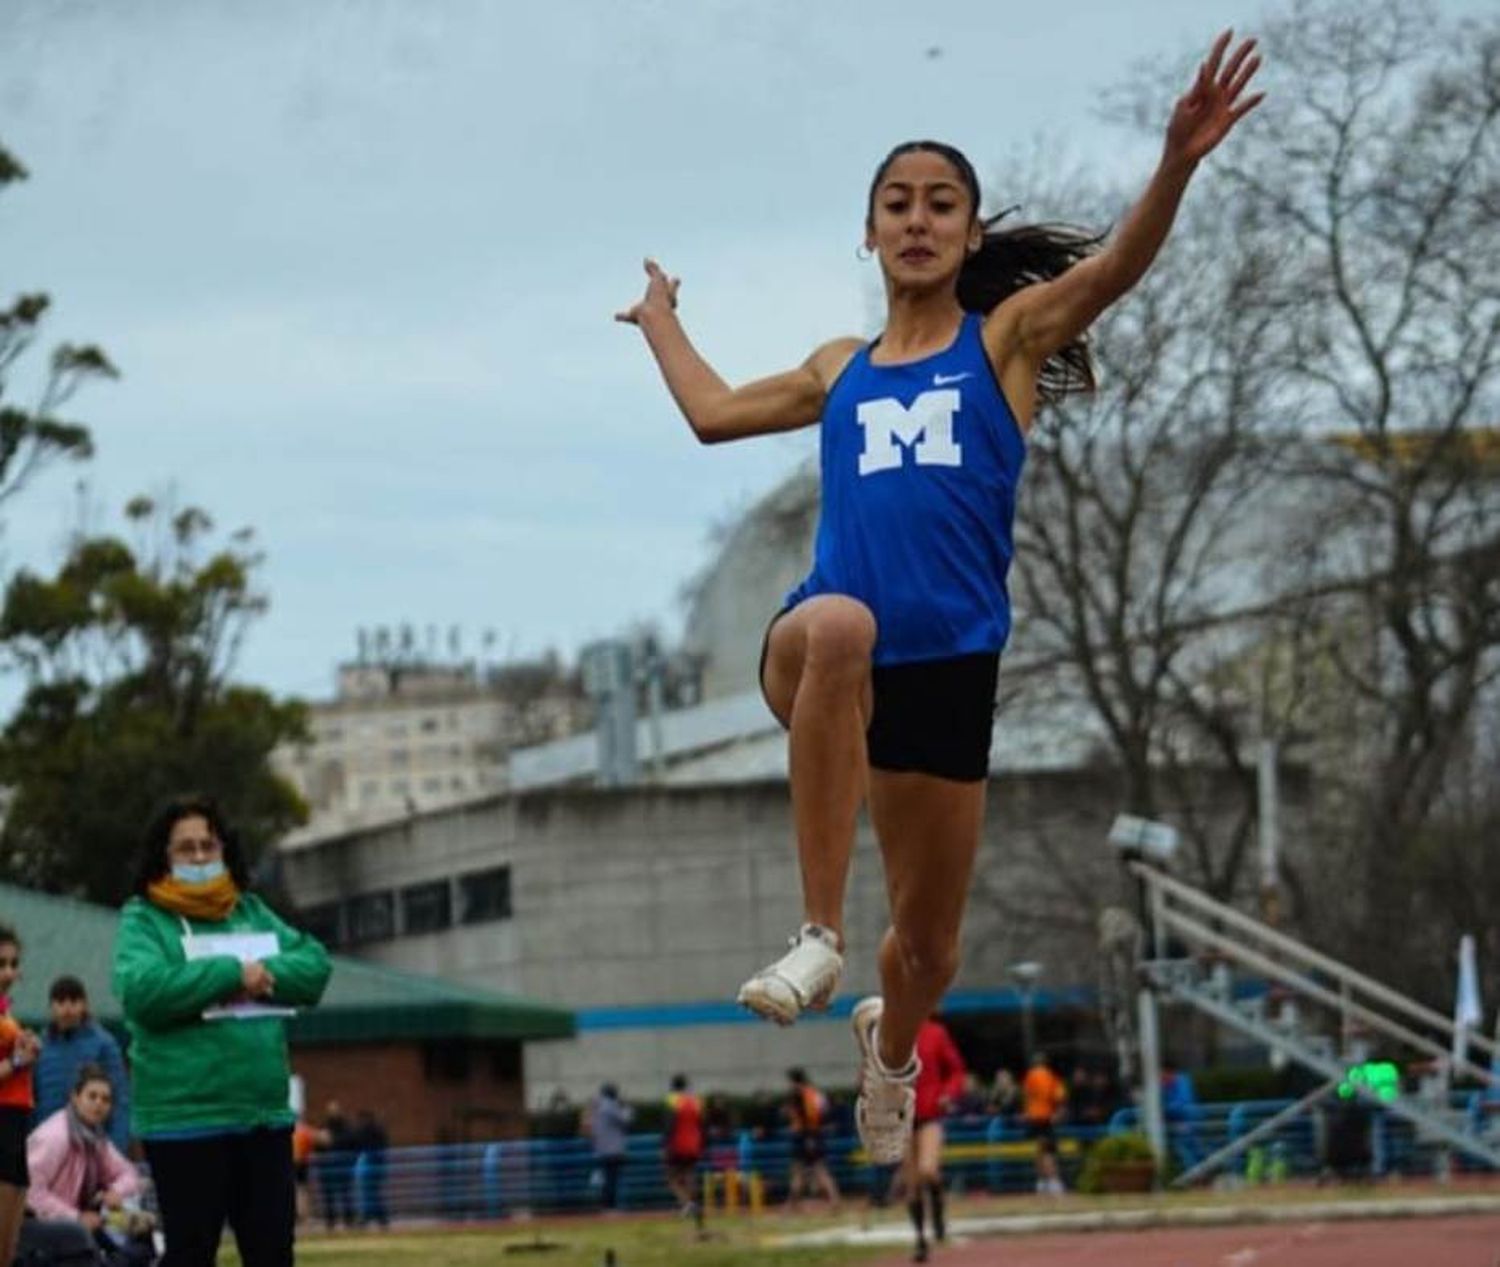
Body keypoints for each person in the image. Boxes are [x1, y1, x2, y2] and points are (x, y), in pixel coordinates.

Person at [618, 32, 1264, 1166]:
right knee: (840, 621)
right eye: (897, 204)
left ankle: (894, 1049)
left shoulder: (1004, 344)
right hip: (826, 655)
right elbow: (714, 415)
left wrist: (1176, 164)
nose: (917, 220)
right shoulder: (837, 368)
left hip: (951, 676)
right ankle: (817, 933)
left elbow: (1110, 272)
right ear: (868, 232)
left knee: (928, 948)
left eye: (941, 204)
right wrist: (662, 316)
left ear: (968, 232)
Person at [112, 793, 333, 1267]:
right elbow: (144, 991)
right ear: (163, 856)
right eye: (185, 848)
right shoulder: (144, 918)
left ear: (224, 850)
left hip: (262, 1118)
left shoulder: (249, 910)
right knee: (191, 1254)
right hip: (184, 1123)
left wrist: (260, 974)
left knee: (273, 1253)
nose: (198, 857)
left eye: (207, 846)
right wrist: (232, 974)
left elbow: (313, 967)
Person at [26, 1063, 150, 1261]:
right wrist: (76, 1217)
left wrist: (116, 1191)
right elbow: (30, 1193)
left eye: (106, 1100)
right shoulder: (55, 1136)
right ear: (75, 1098)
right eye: (92, 1096)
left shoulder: (94, 1137)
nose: (99, 1104)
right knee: (84, 1238)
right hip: (36, 1224)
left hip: (76, 1224)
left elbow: (129, 1173)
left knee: (139, 1245)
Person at [33, 975, 131, 1154]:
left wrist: (115, 1149)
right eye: (61, 1001)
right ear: (51, 1007)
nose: (68, 1007)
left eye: (74, 1000)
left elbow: (119, 1098)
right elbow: (33, 1099)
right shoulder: (40, 1047)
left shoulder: (104, 1044)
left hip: (94, 1145)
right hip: (50, 1146)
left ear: (85, 1004)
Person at [906, 1016, 966, 1262]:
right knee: (912, 1185)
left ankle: (939, 1211)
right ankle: (921, 1240)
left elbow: (956, 1070)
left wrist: (948, 1094)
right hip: (902, 1116)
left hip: (930, 1113)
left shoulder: (934, 1033)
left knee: (928, 1170)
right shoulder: (888, 1033)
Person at [0, 924, 41, 1267]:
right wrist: (16, 1061)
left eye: (14, 964)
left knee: (8, 1254)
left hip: (15, 1124)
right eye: (1, 964)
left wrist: (23, 1046)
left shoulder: (5, 1010)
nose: (10, 973)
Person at [783, 1068, 840, 1214]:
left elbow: (804, 1117)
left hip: (804, 1135)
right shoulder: (814, 1093)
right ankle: (834, 1200)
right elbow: (825, 1112)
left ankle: (791, 1205)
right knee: (819, 1169)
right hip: (814, 1134)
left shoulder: (799, 1095)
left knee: (800, 1171)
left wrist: (808, 1136)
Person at [1021, 1050, 1068, 1195]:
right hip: (1045, 1116)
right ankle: (1053, 1181)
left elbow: (1026, 1095)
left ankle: (1041, 1182)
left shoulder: (1030, 1076)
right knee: (1048, 1151)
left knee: (1039, 1150)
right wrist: (1058, 1113)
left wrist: (1027, 1112)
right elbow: (1059, 1096)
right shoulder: (1051, 1077)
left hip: (1033, 1116)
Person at [661, 1074, 703, 1224]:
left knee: (671, 1177)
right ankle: (694, 1203)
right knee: (690, 1173)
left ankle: (686, 1203)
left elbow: (669, 1125)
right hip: (694, 1142)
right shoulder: (695, 1101)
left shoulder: (672, 1101)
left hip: (677, 1143)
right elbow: (701, 1123)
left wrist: (665, 1145)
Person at [586, 1083, 633, 1212]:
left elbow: (590, 1127)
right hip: (613, 1149)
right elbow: (626, 1120)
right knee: (611, 1178)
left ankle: (606, 1205)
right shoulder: (610, 1106)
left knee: (607, 1178)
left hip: (601, 1148)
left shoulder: (597, 1106)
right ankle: (609, 1206)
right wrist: (627, 1107)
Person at [317, 1100, 357, 1230]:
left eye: (334, 1109)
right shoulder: (324, 1127)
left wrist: (332, 1141)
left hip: (342, 1165)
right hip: (327, 1166)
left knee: (345, 1194)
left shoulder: (345, 1127)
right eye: (330, 1110)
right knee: (329, 1195)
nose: (333, 1112)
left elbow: (351, 1142)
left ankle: (348, 1220)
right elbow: (318, 1146)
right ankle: (331, 1221)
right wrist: (321, 1141)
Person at [352, 1109, 389, 1229]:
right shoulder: (377, 1130)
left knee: (369, 1193)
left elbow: (357, 1142)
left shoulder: (365, 1131)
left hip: (370, 1163)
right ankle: (378, 1218)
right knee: (373, 1192)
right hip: (377, 1164)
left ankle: (370, 1218)